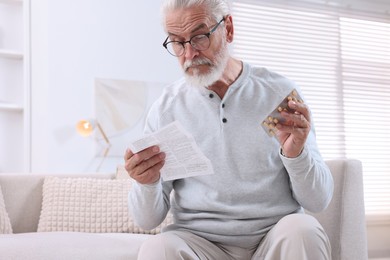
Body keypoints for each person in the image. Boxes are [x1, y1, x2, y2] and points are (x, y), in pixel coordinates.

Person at [124, 0, 334, 259]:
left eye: (199, 37)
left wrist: (296, 155)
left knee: (304, 229)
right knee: (158, 248)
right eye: (177, 42)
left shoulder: (278, 94)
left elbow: (318, 201)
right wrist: (146, 183)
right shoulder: (166, 109)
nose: (189, 54)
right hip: (200, 244)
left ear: (229, 29)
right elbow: (147, 221)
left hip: (273, 238)